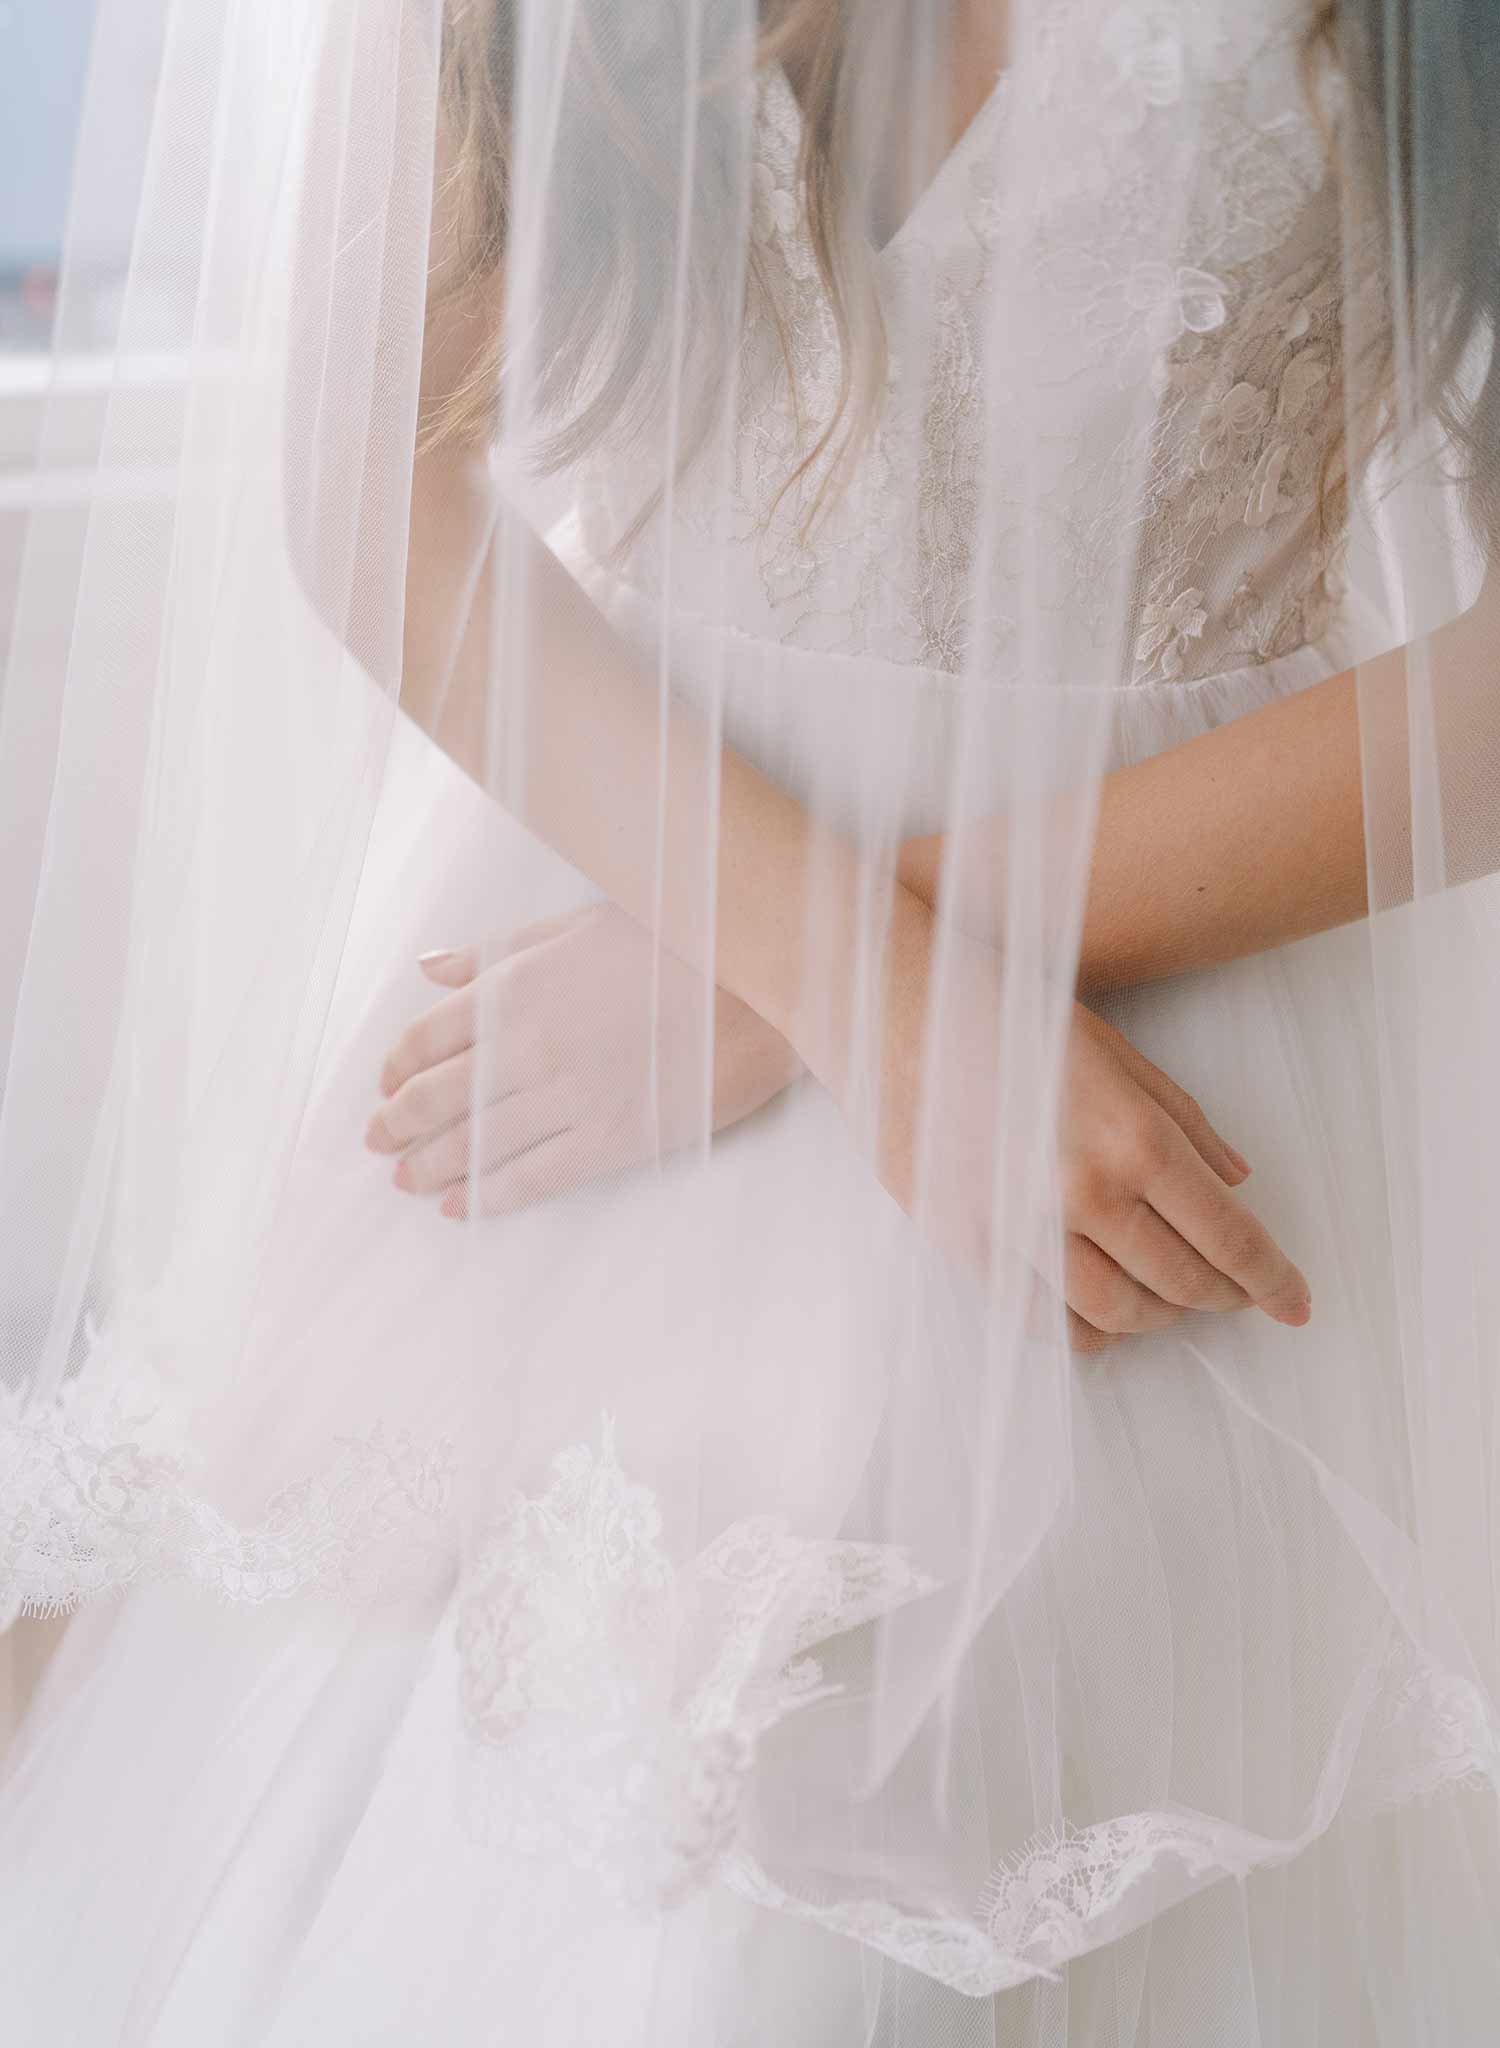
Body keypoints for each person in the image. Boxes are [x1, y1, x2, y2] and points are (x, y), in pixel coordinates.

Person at [1, 2, 1496, 2041]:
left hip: (1138, 1026)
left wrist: (821, 988)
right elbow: (365, 479)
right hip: (602, 950)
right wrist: (860, 992)